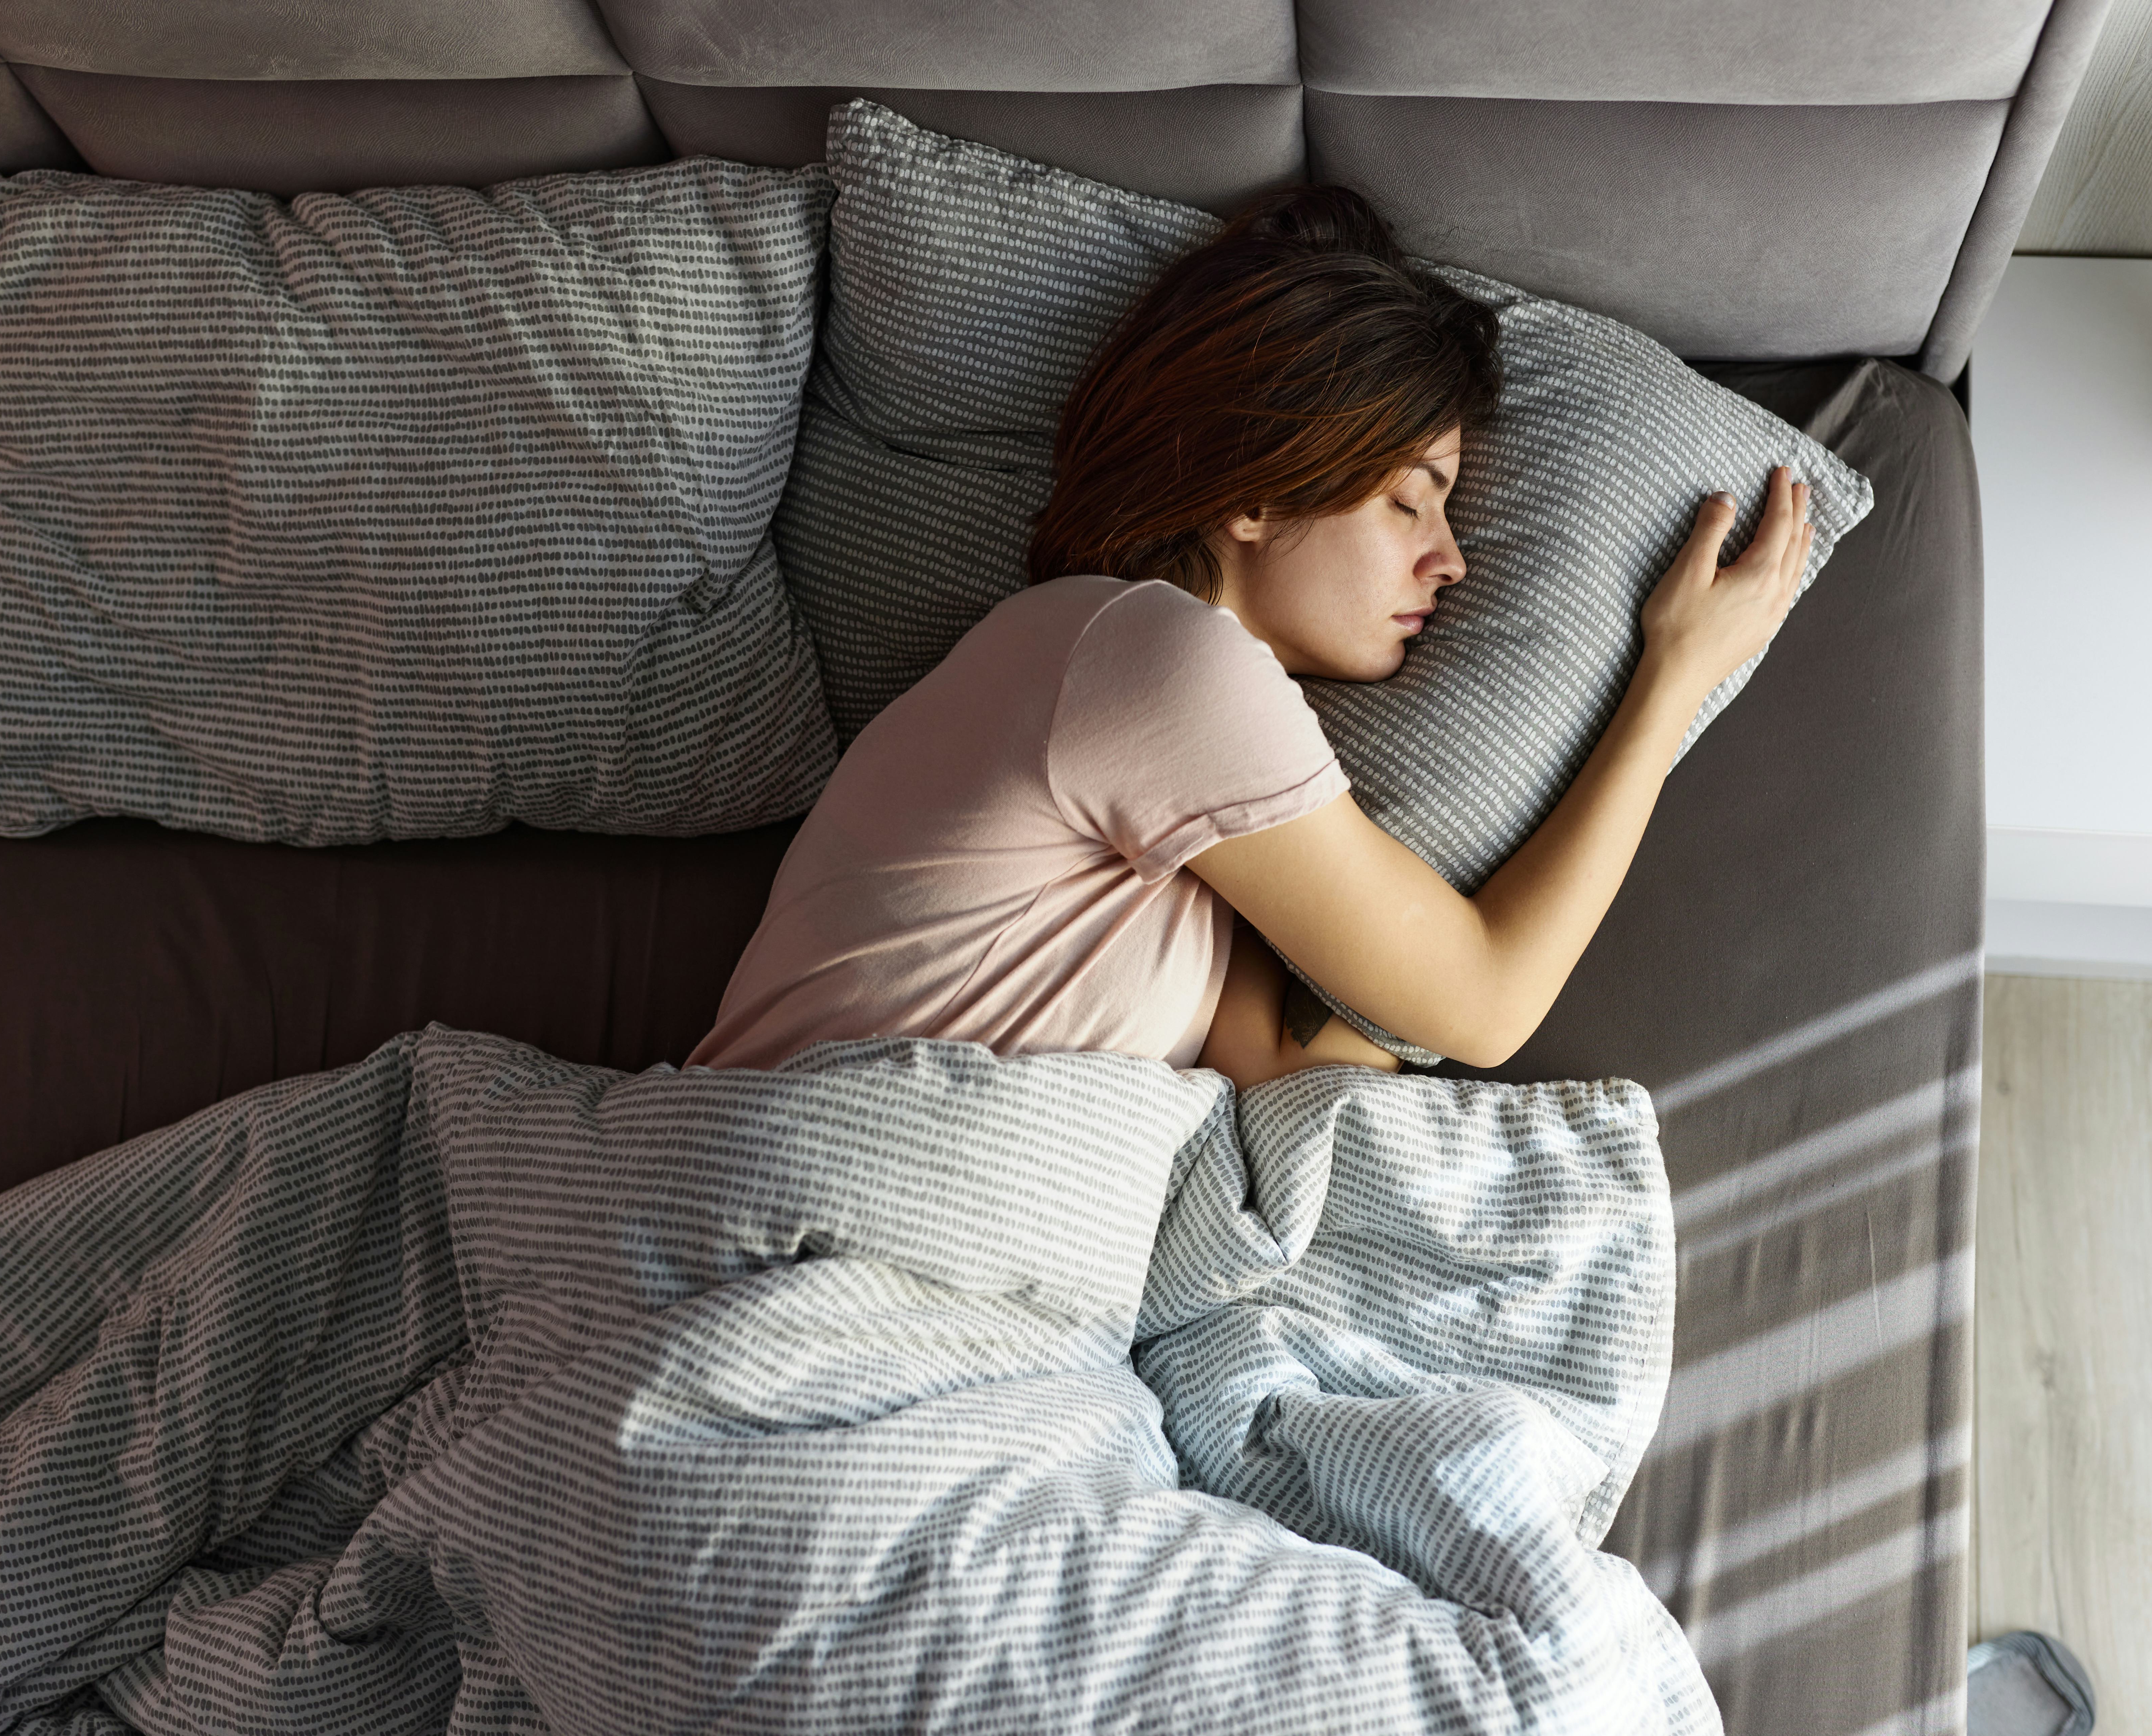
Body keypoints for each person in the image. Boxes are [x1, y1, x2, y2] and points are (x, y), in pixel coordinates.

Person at [691, 186, 1813, 1089]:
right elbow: (1482, 1008)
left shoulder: (1143, 699)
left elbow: (1272, 1065)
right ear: (1259, 495)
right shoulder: (1157, 658)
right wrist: (1669, 679)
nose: (1452, 560)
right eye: (1408, 501)